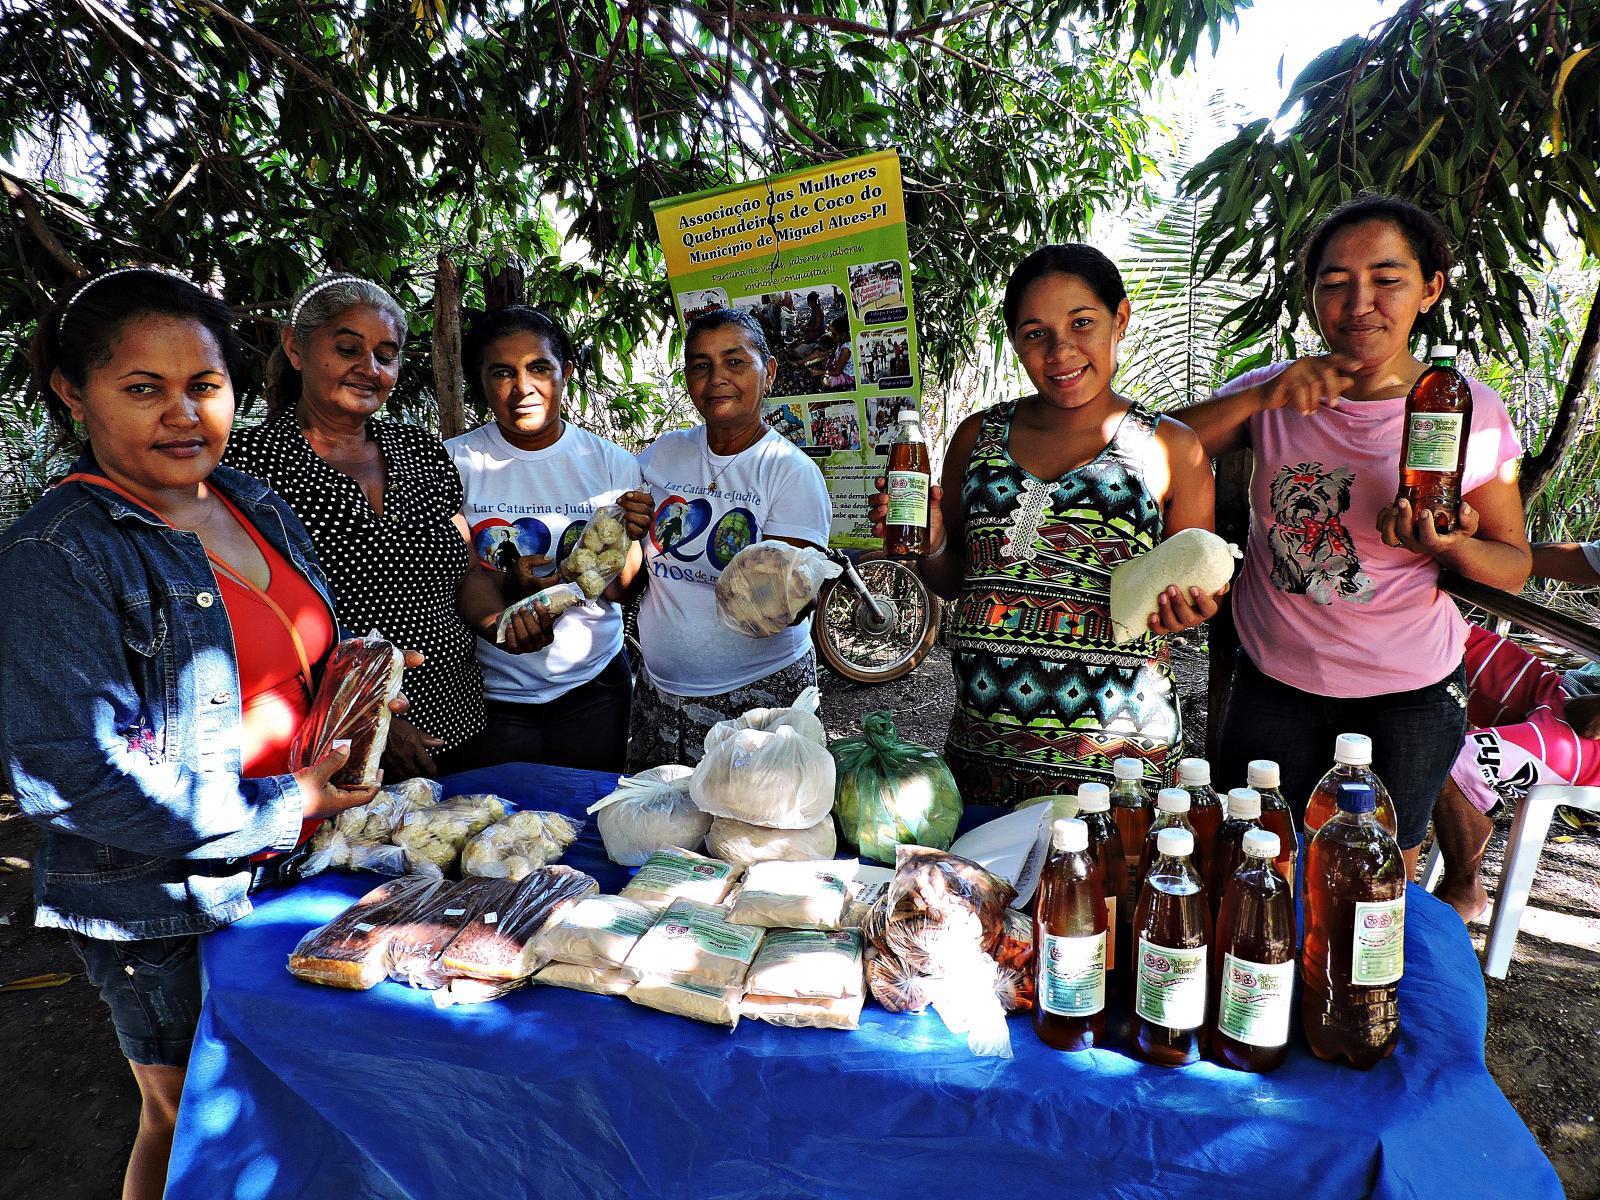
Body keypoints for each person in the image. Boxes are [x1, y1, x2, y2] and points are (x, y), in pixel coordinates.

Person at [0, 268, 410, 1199]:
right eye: (143, 389)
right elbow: (70, 776)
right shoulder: (55, 554)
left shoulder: (246, 500)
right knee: (192, 1116)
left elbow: (295, 650)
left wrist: (358, 677)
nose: (183, 414)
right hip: (164, 897)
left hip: (293, 864)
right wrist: (282, 803)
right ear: (75, 393)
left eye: (204, 386)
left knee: (285, 1107)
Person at [1178, 194, 1531, 875]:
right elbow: (1155, 449)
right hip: (1275, 684)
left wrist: (1449, 545)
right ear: (1312, 299)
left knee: (1372, 884)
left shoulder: (1464, 410)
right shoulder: (1275, 393)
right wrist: (1266, 394)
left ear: (1429, 289)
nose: (1359, 301)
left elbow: (1512, 567)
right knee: (1257, 867)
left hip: (1408, 697)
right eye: (1334, 283)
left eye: (1386, 279)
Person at [870, 244, 1222, 805]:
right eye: (1035, 333)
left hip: (1120, 770)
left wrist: (1190, 609)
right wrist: (932, 543)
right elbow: (957, 578)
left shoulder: (1171, 448)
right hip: (983, 756)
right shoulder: (977, 437)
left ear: (1120, 319)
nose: (1061, 350)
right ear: (1015, 342)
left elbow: (1190, 585)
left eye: (1082, 322)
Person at [225, 273, 487, 777]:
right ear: (295, 348)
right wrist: (366, 710)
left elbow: (464, 568)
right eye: (347, 348)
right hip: (335, 742)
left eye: (385, 355)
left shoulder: (422, 452)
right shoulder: (248, 467)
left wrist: (502, 617)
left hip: (460, 717)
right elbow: (251, 620)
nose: (369, 368)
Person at [625, 307, 832, 770]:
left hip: (758, 697)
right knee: (663, 831)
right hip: (660, 691)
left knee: (747, 833)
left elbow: (780, 609)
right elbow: (633, 567)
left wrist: (797, 589)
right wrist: (625, 527)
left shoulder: (789, 472)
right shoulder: (663, 454)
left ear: (769, 372)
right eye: (701, 365)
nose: (717, 377)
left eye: (735, 362)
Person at [449, 305, 652, 771]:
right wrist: (505, 591)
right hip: (490, 696)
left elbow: (622, 591)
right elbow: (451, 577)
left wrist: (627, 537)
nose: (523, 388)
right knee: (501, 830)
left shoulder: (610, 463)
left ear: (566, 374)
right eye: (502, 372)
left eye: (539, 368)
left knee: (585, 825)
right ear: (481, 381)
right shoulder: (454, 463)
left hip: (595, 689)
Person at [1432, 538, 1600, 919]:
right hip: (1573, 691)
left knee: (1455, 756)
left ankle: (1463, 890)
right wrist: (1464, 549)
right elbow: (1547, 561)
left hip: (1592, 731)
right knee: (1438, 632)